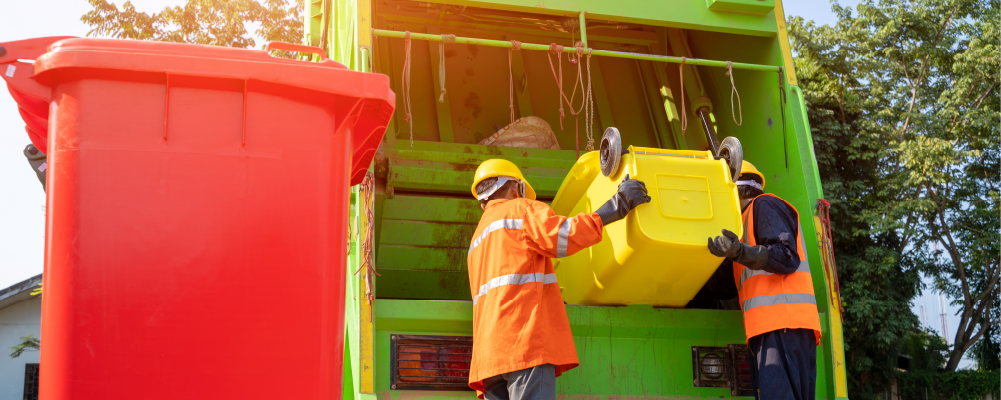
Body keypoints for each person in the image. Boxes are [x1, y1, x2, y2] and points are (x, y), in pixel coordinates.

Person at [466, 158, 650, 400]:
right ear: (515, 188)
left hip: (489, 357)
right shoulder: (521, 209)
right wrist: (618, 204)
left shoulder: (477, 239)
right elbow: (563, 236)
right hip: (524, 343)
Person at [697, 160, 822, 400]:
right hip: (770, 330)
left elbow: (787, 257)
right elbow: (723, 286)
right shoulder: (741, 227)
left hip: (783, 325)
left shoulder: (764, 205)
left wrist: (739, 252)